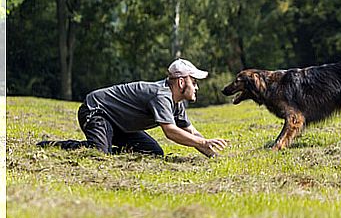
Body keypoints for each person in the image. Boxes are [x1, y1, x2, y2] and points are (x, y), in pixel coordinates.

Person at [37, 59, 227, 158]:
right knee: (98, 153)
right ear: (180, 82)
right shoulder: (161, 95)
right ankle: (52, 145)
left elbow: (191, 132)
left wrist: (212, 154)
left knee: (153, 153)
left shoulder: (176, 103)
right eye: (194, 82)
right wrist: (202, 143)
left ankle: (108, 147)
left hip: (119, 123)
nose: (197, 87)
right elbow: (171, 132)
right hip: (96, 111)